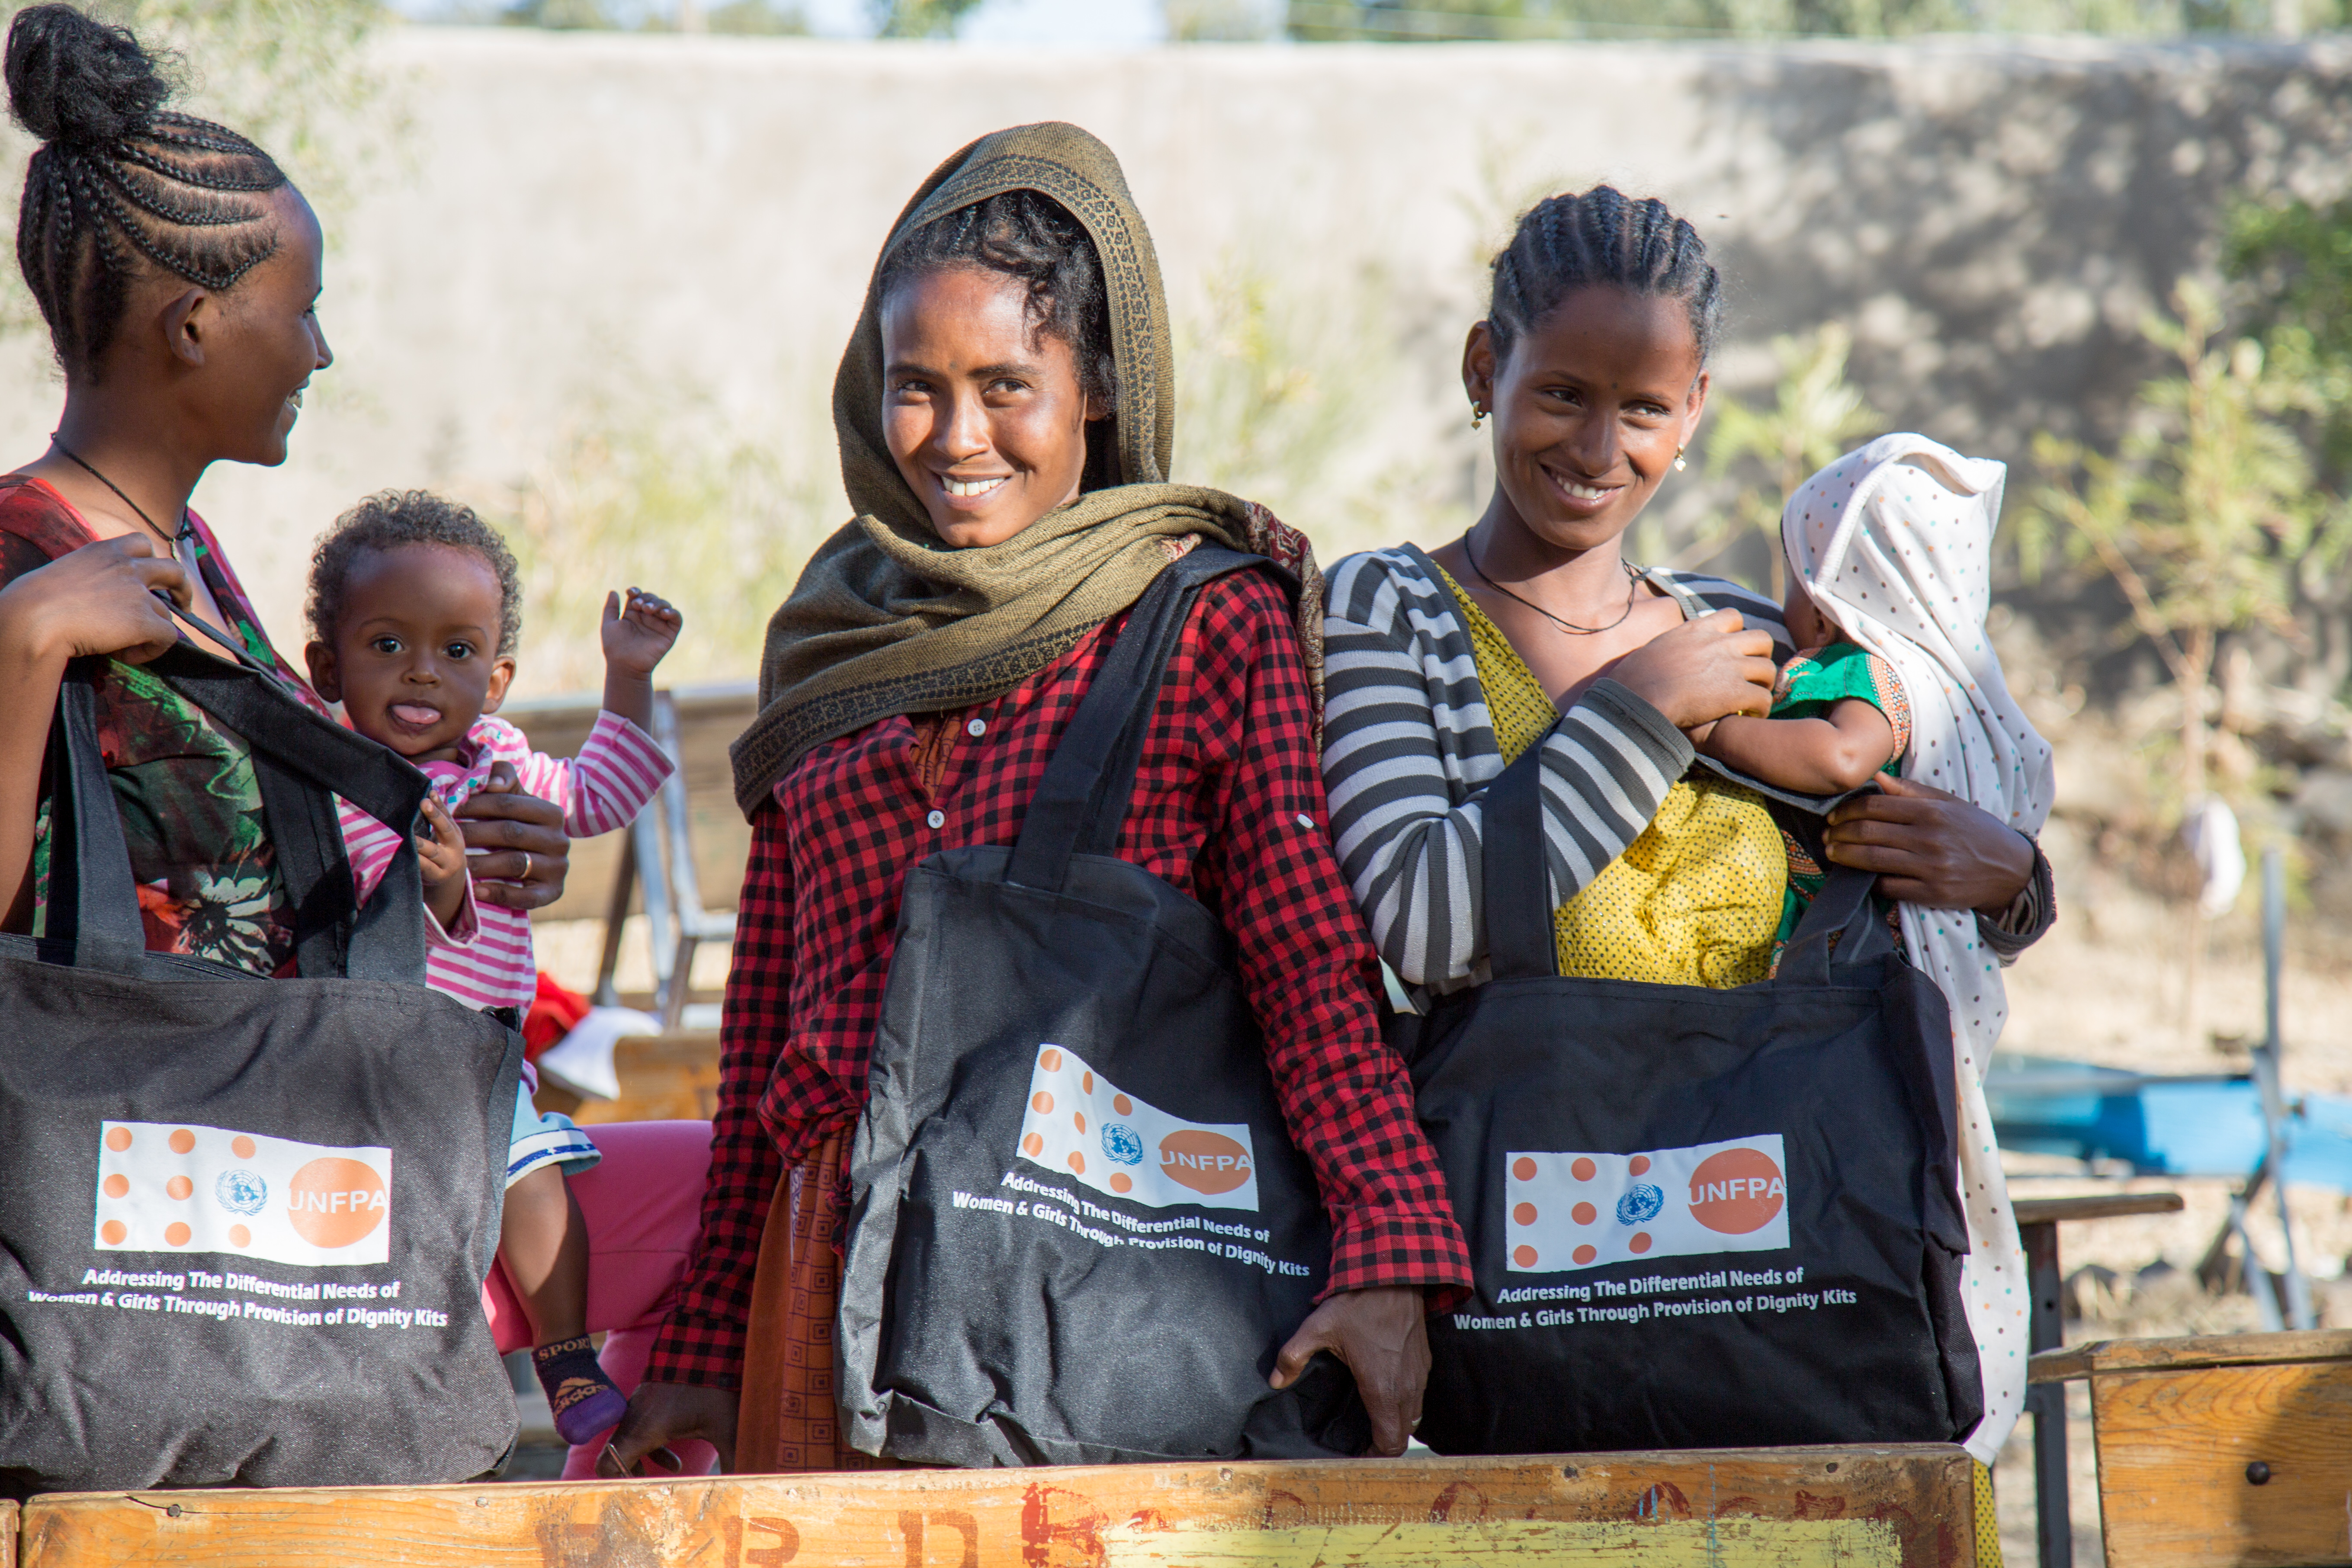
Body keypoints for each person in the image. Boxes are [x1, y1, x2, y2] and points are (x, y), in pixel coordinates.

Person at [606, 122, 1471, 1476]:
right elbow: (767, 1025)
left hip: (1097, 1282)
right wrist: (710, 1344)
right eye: (914, 387)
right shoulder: (833, 643)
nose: (955, 439)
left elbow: (1306, 958)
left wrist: (1388, 1250)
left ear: (1099, 393)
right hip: (828, 1279)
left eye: (1006, 383)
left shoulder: (1197, 619)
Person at [0, 5, 709, 1485]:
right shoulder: (29, 551)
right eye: (299, 303)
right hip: (157, 1210)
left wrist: (444, 867)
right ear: (193, 325)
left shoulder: (189, 557)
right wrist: (24, 644)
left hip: (281, 1163)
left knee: (749, 1198)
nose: (319, 342)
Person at [1320, 188, 2054, 1553]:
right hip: (1524, 1281)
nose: (1598, 448)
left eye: (1643, 409)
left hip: (1769, 1279)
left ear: (1695, 409)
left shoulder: (1735, 633)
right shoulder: (1391, 609)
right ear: (1484, 373)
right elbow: (1415, 917)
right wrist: (1633, 715)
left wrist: (2008, 876)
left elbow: (1880, 889)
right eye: (1560, 395)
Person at [302, 490, 684, 1449]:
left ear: (499, 678)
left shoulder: (499, 765)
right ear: (325, 665)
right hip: (369, 1061)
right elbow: (321, 910)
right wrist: (424, 893)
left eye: (458, 651)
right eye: (387, 645)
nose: (423, 670)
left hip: (481, 1054)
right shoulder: (329, 780)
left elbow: (600, 795)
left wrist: (627, 674)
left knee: (533, 1174)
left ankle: (562, 1352)